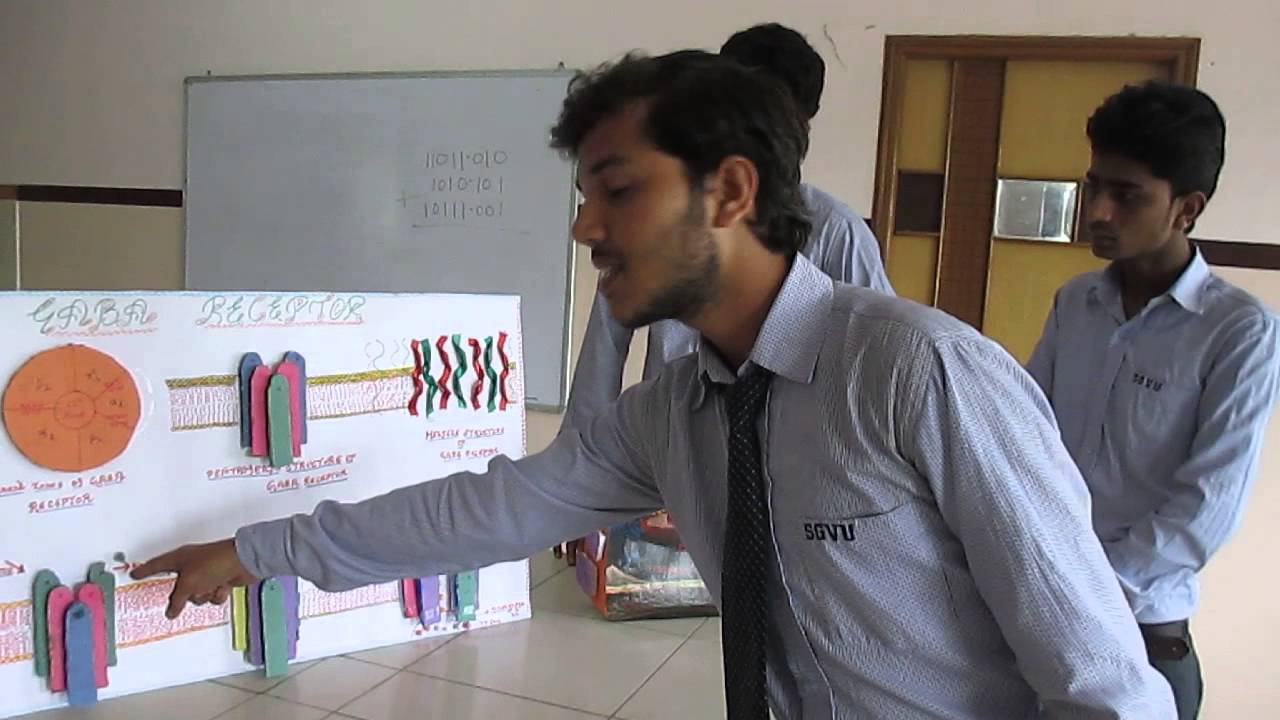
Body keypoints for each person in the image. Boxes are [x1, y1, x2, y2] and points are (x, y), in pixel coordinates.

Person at [133, 51, 1174, 718]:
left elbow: (1100, 683)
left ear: (730, 191)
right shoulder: (673, 412)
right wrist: (260, 549)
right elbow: (493, 508)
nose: (585, 227)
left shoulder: (919, 374)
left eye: (618, 191)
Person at [1027, 81, 1280, 720]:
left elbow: (1205, 507)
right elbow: (1027, 438)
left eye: (1127, 195)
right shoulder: (1076, 303)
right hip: (1037, 622)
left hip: (1140, 640)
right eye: (1094, 187)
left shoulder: (1239, 331)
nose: (1098, 211)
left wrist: (1086, 591)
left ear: (1187, 209)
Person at [562, 23, 891, 435]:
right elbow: (604, 351)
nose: (585, 229)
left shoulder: (837, 232)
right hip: (677, 442)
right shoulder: (653, 229)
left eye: (619, 189)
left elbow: (874, 352)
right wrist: (581, 443)